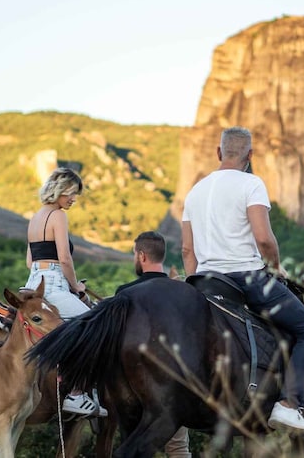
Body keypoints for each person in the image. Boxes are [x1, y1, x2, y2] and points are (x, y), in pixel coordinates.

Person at [181, 126, 304, 434]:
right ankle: (288, 404)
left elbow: (187, 249)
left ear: (219, 153)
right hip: (246, 278)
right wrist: (276, 266)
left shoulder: (195, 191)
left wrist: (195, 282)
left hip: (205, 282)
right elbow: (264, 238)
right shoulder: (251, 183)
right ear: (250, 155)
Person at [22, 167, 105, 417]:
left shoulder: (35, 217)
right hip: (55, 284)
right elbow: (65, 259)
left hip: (34, 284)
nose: (73, 199)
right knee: (94, 324)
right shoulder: (57, 216)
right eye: (72, 194)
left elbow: (30, 261)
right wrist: (76, 285)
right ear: (61, 190)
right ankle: (76, 394)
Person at [116, 231, 191, 458]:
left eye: (134, 255)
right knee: (178, 447)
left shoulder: (125, 293)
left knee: (133, 445)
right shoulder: (182, 293)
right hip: (174, 383)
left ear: (141, 256)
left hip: (133, 387)